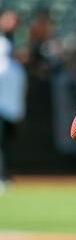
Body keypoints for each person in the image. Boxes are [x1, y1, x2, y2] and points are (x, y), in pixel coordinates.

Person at [0, 35, 27, 191]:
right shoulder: (17, 68)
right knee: (6, 147)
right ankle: (5, 176)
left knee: (1, 148)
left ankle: (2, 177)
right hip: (14, 112)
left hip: (2, 112)